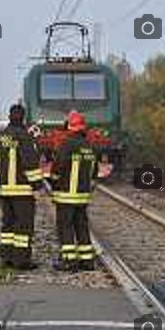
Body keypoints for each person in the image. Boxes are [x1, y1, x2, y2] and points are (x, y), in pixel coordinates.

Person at [0, 104, 44, 269]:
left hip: (4, 188)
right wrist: (37, 187)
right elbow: (30, 163)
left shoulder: (0, 136)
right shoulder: (24, 136)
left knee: (7, 224)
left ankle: (6, 257)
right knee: (23, 225)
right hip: (22, 190)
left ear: (9, 116)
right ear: (23, 117)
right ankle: (22, 261)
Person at [50, 110, 98, 271]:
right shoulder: (89, 146)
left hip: (66, 195)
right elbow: (95, 171)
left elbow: (58, 167)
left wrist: (53, 181)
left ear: (69, 127)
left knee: (65, 226)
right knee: (81, 226)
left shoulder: (67, 144)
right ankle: (87, 261)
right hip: (83, 196)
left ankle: (69, 261)